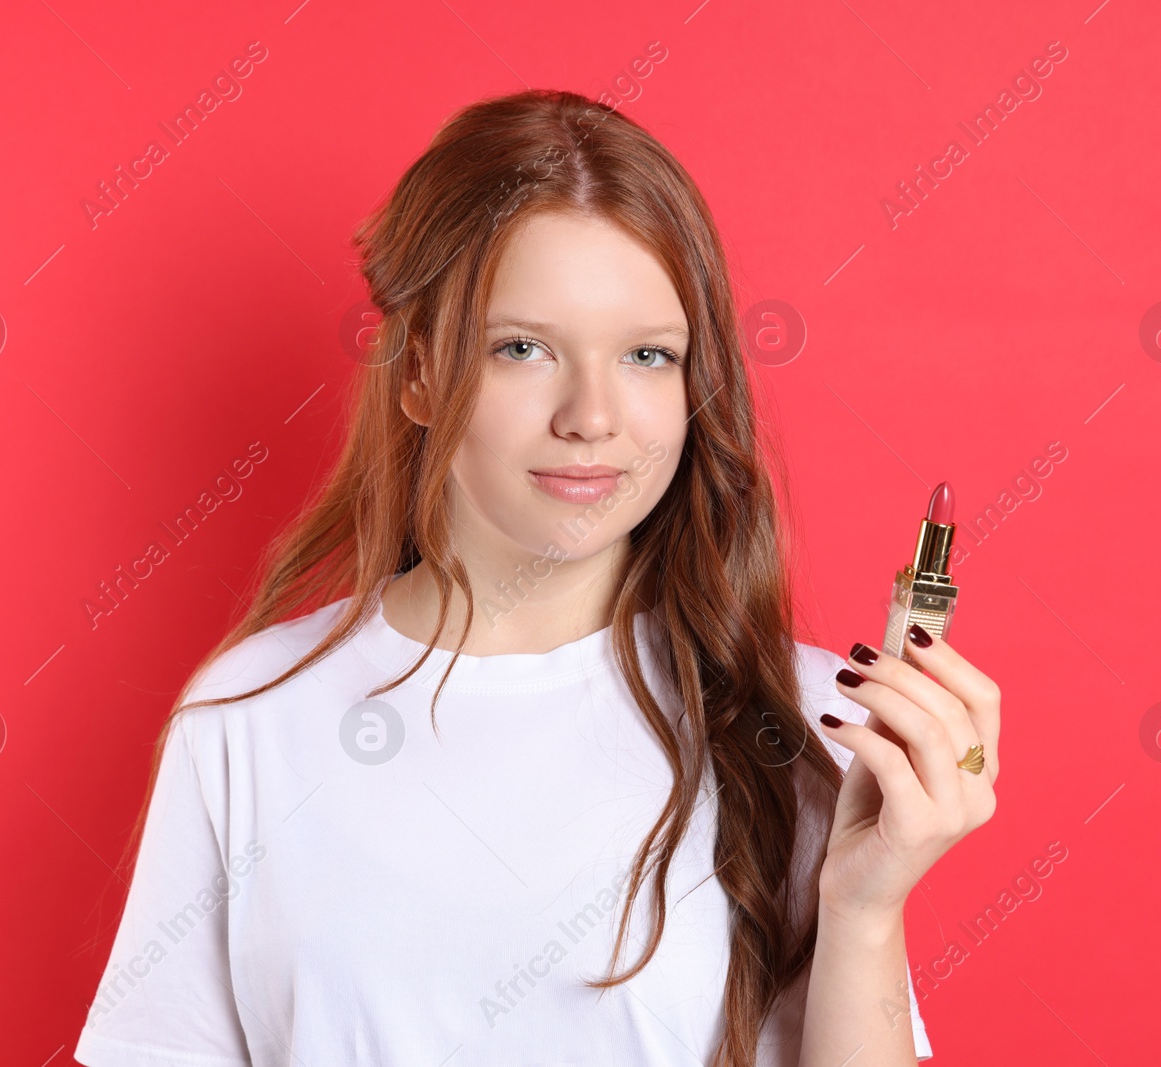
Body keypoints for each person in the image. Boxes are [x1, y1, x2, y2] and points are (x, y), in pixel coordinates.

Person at [73, 88, 1000, 1067]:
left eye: (647, 354)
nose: (592, 414)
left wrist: (862, 905)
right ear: (421, 373)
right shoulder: (248, 718)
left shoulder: (809, 721)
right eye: (523, 347)